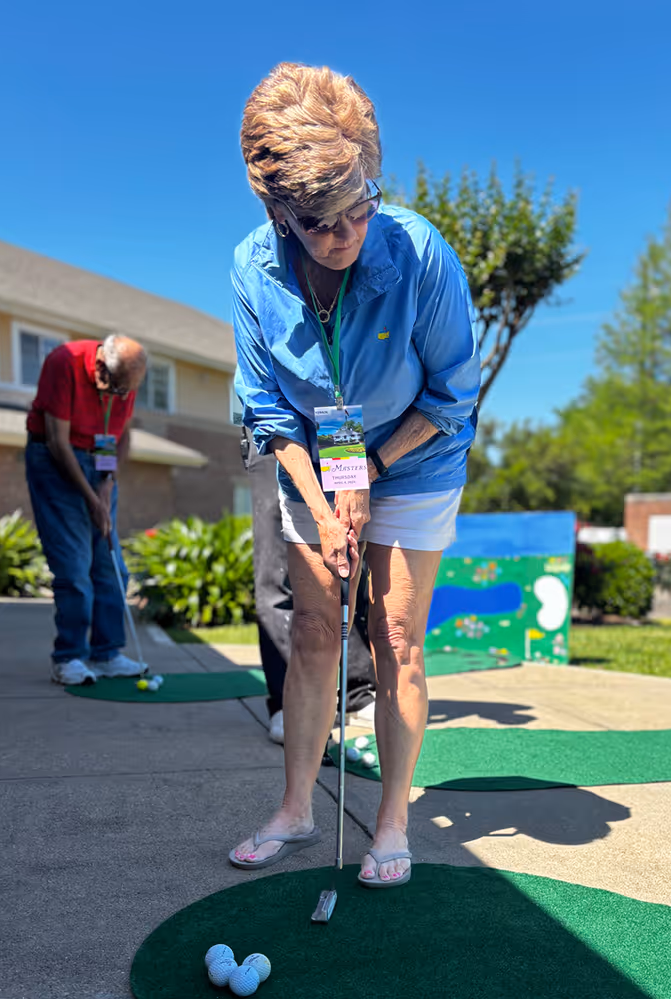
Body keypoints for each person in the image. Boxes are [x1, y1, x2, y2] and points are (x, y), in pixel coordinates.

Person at [228, 63, 480, 886]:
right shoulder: (251, 271)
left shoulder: (418, 253)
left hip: (417, 454)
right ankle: (297, 812)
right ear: (277, 213)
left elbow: (452, 397)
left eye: (360, 204)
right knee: (312, 632)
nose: (347, 232)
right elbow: (267, 412)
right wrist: (324, 499)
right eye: (320, 222)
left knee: (396, 638)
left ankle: (393, 823)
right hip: (316, 461)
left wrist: (369, 468)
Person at [241, 424, 377, 746]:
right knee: (278, 563)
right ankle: (290, 700)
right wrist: (319, 511)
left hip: (335, 422)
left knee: (350, 559)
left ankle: (356, 690)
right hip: (276, 426)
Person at [25, 335, 150, 686]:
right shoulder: (63, 361)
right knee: (75, 567)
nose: (124, 396)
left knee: (112, 566)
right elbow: (56, 440)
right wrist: (93, 499)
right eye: (119, 389)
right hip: (55, 461)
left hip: (97, 455)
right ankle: (68, 658)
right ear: (99, 369)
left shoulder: (124, 381)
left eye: (129, 390)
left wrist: (107, 481)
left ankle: (106, 653)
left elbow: (115, 435)